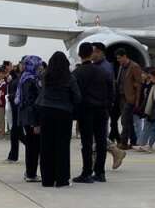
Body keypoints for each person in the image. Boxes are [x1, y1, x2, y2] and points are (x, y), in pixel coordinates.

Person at [35, 51, 80, 186]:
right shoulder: (69, 78)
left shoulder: (45, 76)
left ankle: (47, 179)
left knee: (46, 146)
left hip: (46, 113)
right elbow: (77, 97)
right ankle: (62, 179)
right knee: (62, 147)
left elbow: (41, 94)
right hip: (63, 113)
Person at [72, 42, 113, 183]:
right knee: (101, 142)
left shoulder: (77, 73)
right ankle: (100, 172)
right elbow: (111, 91)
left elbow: (75, 95)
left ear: (79, 55)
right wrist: (107, 106)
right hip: (102, 110)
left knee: (87, 142)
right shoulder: (104, 72)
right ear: (92, 53)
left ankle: (87, 172)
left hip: (85, 111)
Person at [14, 55, 43, 181]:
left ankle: (30, 172)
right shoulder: (30, 80)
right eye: (39, 65)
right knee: (33, 146)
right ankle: (31, 173)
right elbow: (31, 101)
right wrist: (36, 122)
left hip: (26, 116)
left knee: (31, 145)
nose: (40, 67)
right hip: (31, 118)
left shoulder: (25, 77)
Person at [113, 49, 144, 149]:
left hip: (130, 98)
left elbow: (139, 85)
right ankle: (134, 140)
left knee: (124, 120)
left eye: (119, 58)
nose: (118, 60)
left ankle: (124, 142)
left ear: (125, 56)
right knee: (128, 121)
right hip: (121, 97)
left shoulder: (134, 66)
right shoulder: (122, 67)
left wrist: (137, 101)